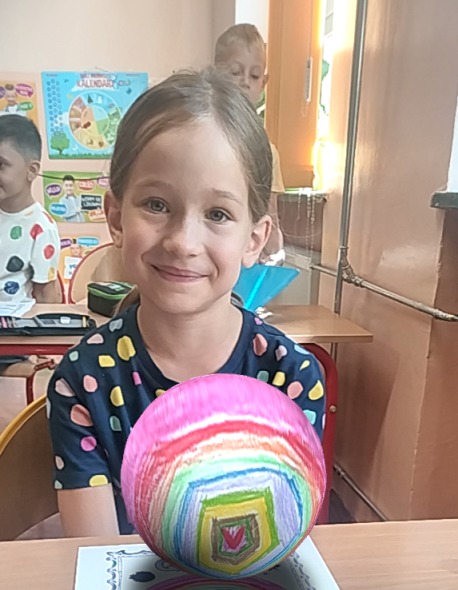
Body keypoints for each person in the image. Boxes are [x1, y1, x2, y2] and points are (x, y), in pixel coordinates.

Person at [47, 69, 325, 537]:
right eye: (156, 205)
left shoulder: (290, 376)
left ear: (254, 239)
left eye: (218, 214)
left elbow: (282, 541)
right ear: (116, 216)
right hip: (126, 583)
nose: (183, 242)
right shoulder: (84, 380)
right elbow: (97, 556)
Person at [214, 23, 285, 260]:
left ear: (264, 83)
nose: (245, 82)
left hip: (245, 262)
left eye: (254, 76)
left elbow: (271, 224)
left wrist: (270, 246)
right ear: (215, 73)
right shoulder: (201, 141)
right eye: (235, 72)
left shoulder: (267, 153)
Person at [0, 115, 60, 304]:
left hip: (13, 320)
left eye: (1, 165)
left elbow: (45, 296)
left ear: (32, 171)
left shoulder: (42, 228)